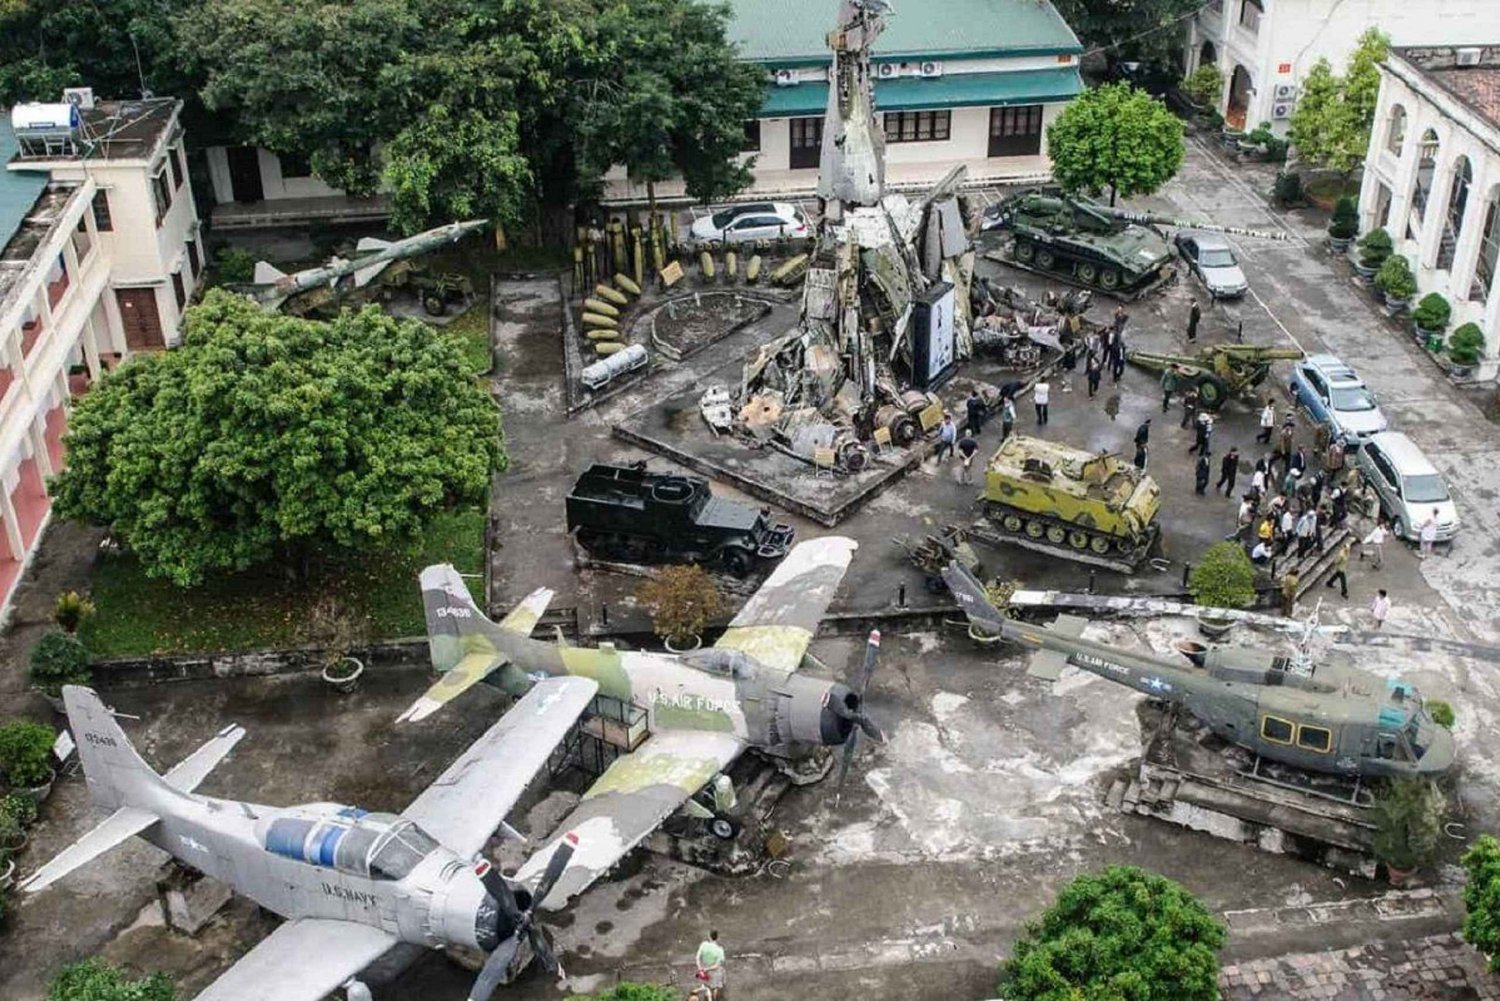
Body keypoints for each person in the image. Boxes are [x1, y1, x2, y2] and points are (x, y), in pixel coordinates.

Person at [696, 930, 727, 1000]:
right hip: (715, 972)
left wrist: (700, 968)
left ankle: (708, 998)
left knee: (706, 987)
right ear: (717, 938)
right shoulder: (720, 950)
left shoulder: (703, 945)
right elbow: (717, 965)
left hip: (704, 971)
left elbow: (697, 958)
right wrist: (708, 969)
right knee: (715, 987)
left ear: (709, 936)